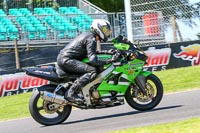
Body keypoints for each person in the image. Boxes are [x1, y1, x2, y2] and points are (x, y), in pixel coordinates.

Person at [57, 19, 119, 102]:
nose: (106, 32)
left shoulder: (89, 36)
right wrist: (110, 60)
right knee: (92, 71)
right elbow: (93, 60)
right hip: (67, 60)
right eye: (105, 30)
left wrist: (107, 52)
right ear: (98, 28)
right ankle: (71, 93)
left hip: (65, 59)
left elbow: (91, 52)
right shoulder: (91, 38)